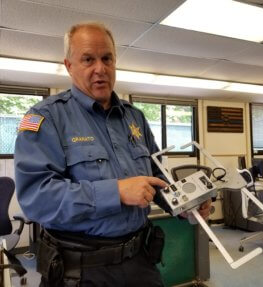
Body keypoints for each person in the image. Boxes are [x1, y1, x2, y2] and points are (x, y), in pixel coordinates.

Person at [14, 21, 212, 287]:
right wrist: (116, 191)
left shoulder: (135, 117)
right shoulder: (45, 118)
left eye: (107, 58)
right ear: (69, 66)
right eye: (88, 59)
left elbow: (157, 177)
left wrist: (184, 205)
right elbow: (37, 198)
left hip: (140, 259)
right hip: (81, 271)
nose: (100, 68)